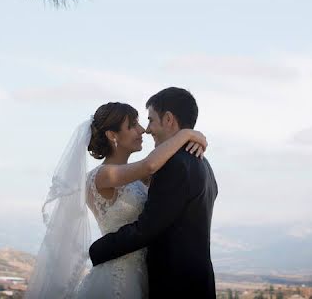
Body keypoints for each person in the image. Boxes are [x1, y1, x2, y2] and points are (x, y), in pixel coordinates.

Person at [26, 99, 207, 299]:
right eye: (133, 125)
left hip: (143, 275)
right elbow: (150, 165)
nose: (142, 130)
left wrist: (193, 141)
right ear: (113, 135)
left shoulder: (136, 176)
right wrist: (187, 134)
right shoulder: (102, 176)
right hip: (116, 276)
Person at [90, 87, 219, 298]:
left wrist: (97, 250)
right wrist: (189, 134)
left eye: (150, 120)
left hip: (174, 285)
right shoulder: (203, 163)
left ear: (168, 119)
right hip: (192, 282)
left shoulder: (174, 165)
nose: (146, 130)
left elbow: (148, 228)